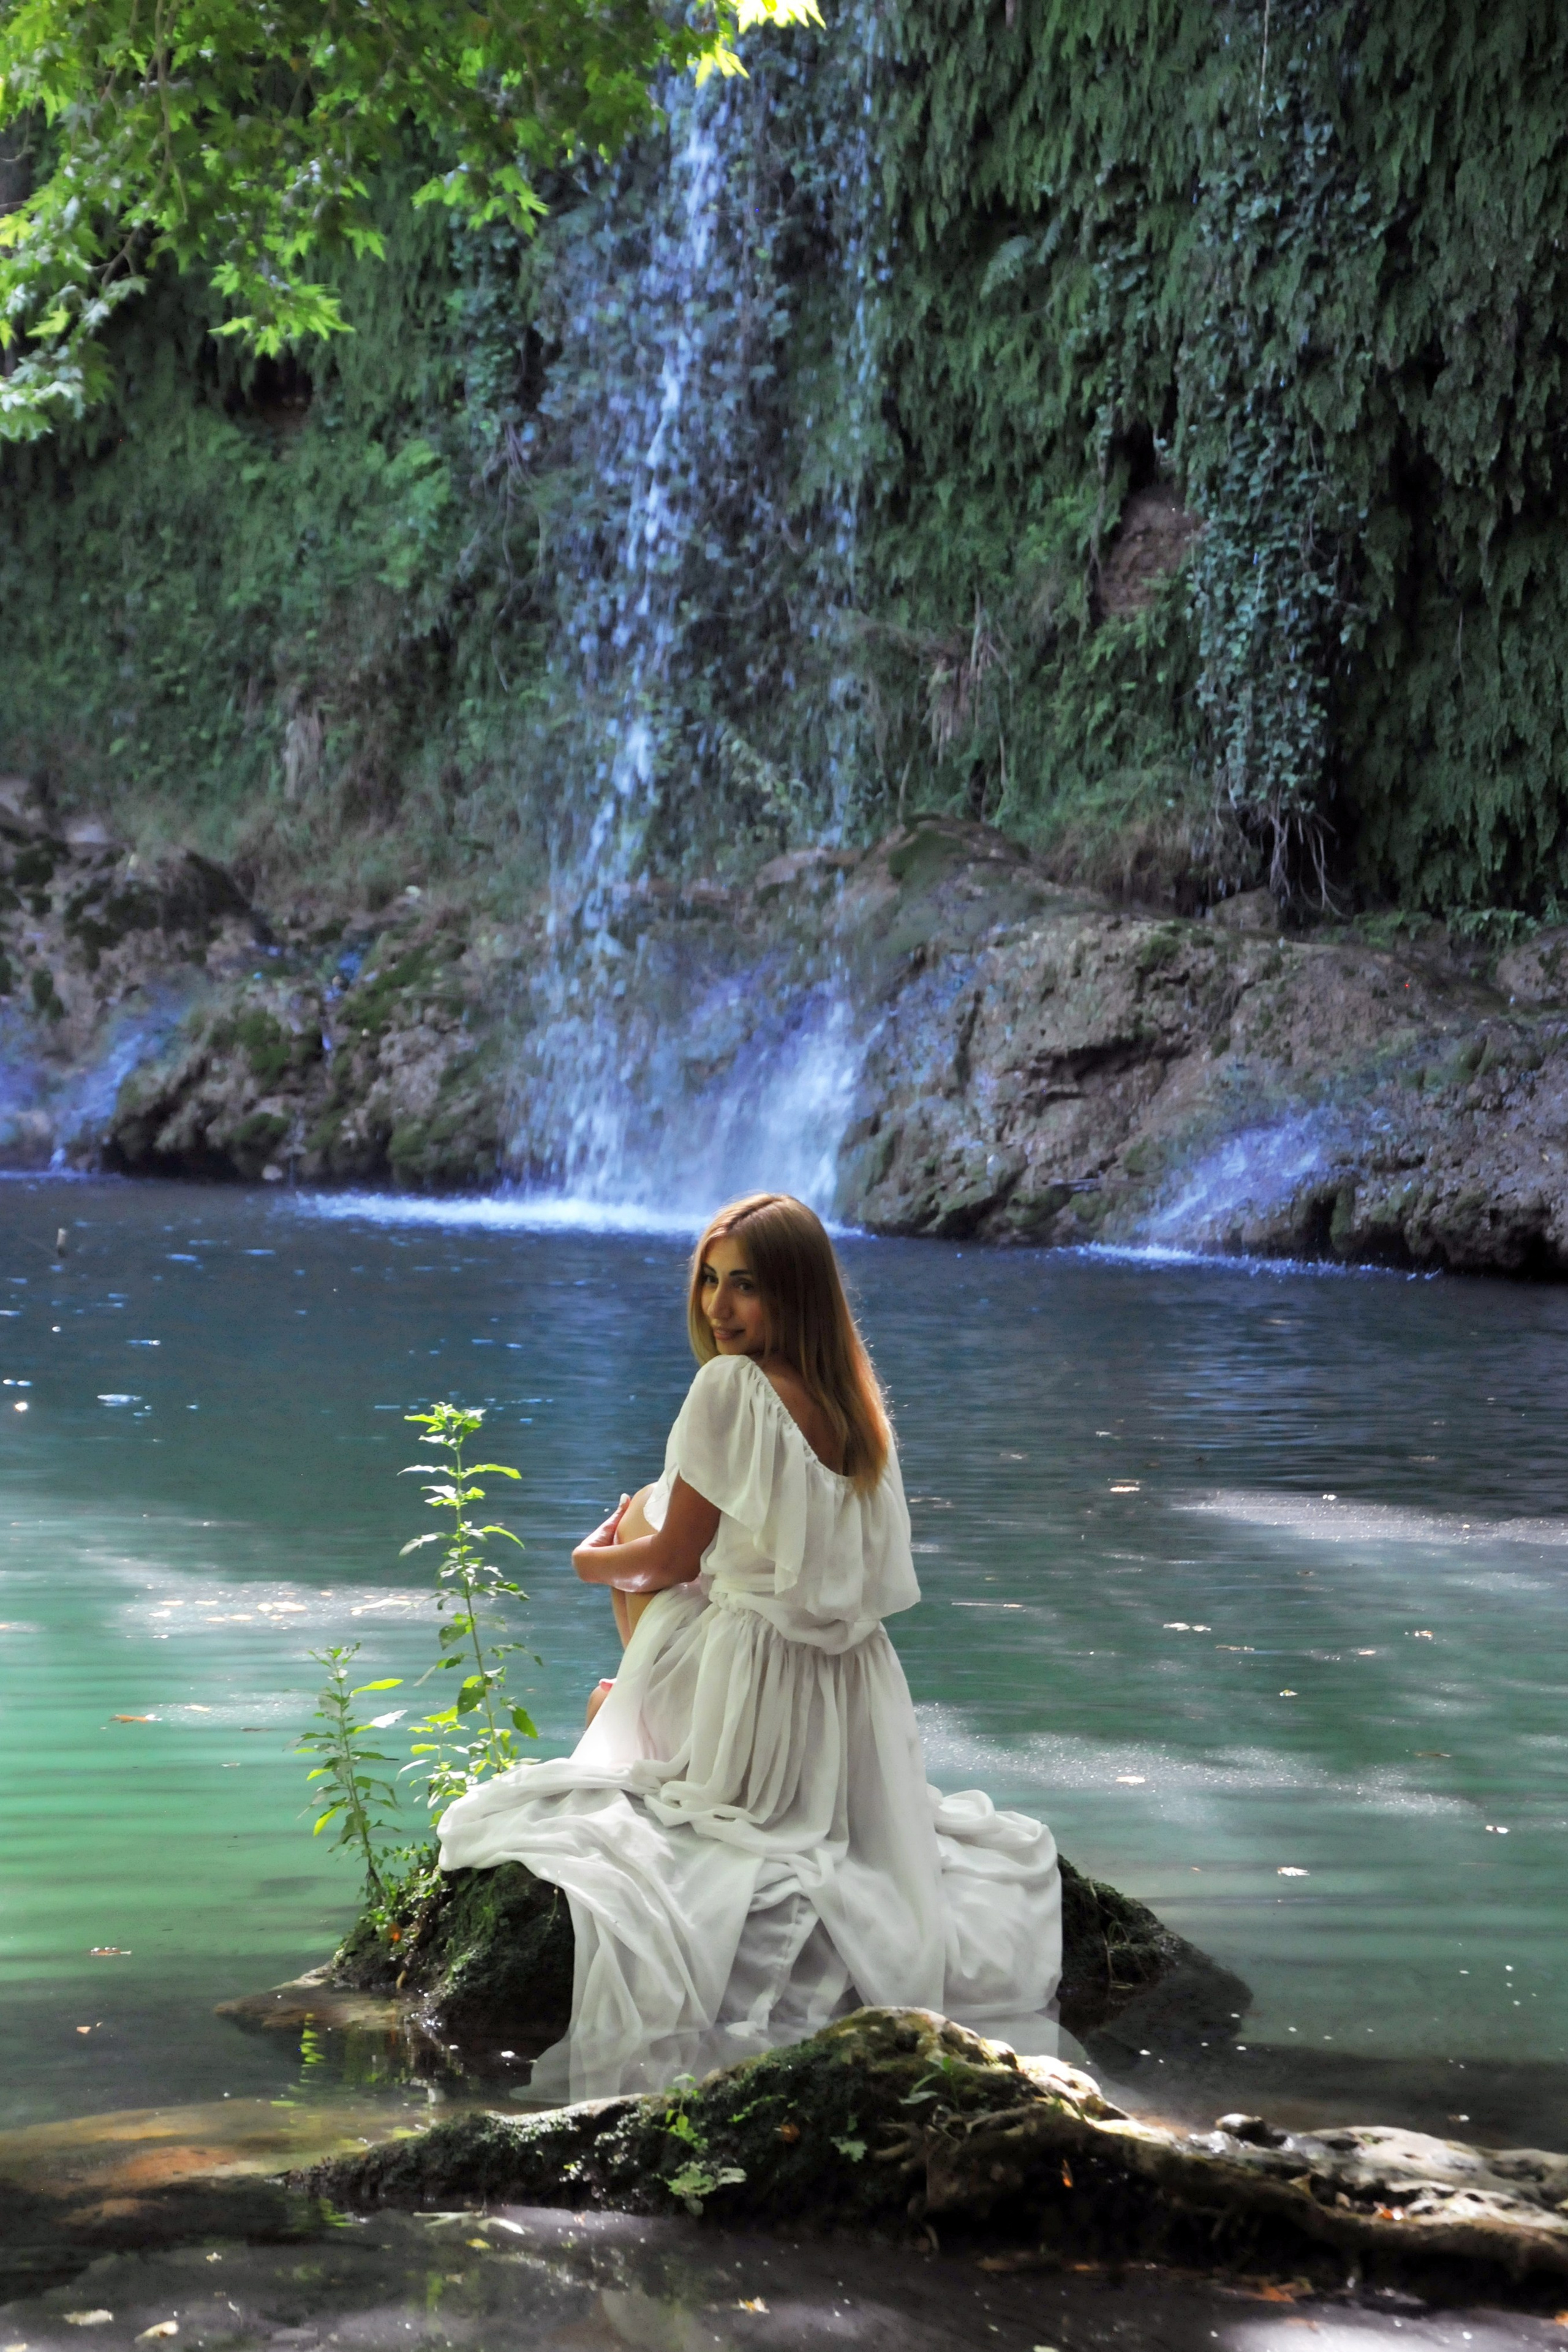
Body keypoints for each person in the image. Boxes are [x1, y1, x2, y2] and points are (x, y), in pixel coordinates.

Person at [437, 1191, 1062, 2098]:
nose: (719, 1308)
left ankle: (635, 1719)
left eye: (746, 1288)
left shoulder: (730, 1388)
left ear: (794, 1296)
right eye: (709, 1282)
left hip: (757, 1693)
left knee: (646, 1532)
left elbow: (672, 1557)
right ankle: (632, 1713)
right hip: (845, 1704)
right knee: (660, 1548)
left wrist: (591, 1557)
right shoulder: (854, 1407)